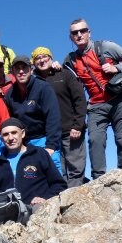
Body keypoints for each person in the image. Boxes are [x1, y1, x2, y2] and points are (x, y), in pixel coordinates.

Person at [64, 18, 122, 180]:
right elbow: (62, 75)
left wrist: (116, 68)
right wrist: (55, 65)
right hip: (96, 106)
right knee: (95, 141)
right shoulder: (71, 60)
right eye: (74, 33)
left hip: (120, 101)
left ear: (89, 32)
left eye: (82, 31)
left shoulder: (105, 47)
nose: (79, 35)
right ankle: (99, 180)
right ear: (70, 37)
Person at [32, 47, 87, 187]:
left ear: (51, 58)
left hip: (71, 130)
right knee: (56, 171)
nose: (42, 60)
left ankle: (75, 202)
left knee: (75, 169)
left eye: (45, 57)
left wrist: (78, 125)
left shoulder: (65, 74)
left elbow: (80, 100)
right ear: (33, 62)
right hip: (49, 135)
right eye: (37, 58)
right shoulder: (32, 82)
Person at [0, 118, 67, 206]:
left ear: (23, 133)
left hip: (38, 210)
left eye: (14, 133)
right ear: (1, 138)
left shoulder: (39, 154)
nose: (10, 138)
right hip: (9, 215)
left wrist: (45, 198)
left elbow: (59, 184)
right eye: (5, 134)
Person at [4, 55, 62, 173]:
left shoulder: (43, 87)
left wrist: (51, 146)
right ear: (12, 72)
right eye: (17, 69)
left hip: (44, 139)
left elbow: (53, 117)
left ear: (30, 70)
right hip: (24, 143)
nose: (21, 72)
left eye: (24, 68)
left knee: (53, 176)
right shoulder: (10, 94)